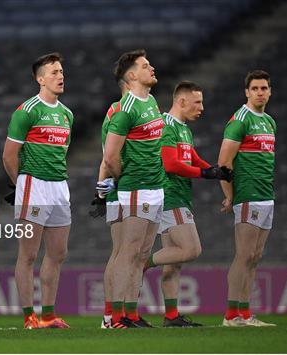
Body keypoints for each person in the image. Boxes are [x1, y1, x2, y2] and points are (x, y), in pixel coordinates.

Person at [144, 81, 232, 327]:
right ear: (181, 101)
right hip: (170, 196)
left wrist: (214, 171)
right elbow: (171, 164)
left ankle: (171, 316)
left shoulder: (183, 129)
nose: (201, 107)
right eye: (197, 102)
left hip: (181, 196)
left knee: (174, 264)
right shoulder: (166, 126)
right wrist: (205, 175)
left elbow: (191, 157)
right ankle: (142, 263)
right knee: (192, 249)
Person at [3, 52, 73, 329]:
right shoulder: (27, 110)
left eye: (61, 72)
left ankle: (48, 315)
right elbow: (9, 155)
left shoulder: (67, 114)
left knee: (58, 253)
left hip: (60, 187)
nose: (60, 76)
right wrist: (20, 184)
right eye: (54, 72)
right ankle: (28, 316)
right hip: (34, 185)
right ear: (40, 78)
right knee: (28, 255)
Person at [103, 49, 163, 328]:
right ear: (131, 75)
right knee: (128, 252)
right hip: (136, 187)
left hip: (155, 186)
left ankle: (130, 312)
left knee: (140, 255)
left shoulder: (151, 101)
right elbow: (111, 156)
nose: (151, 68)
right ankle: (116, 317)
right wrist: (124, 177)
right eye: (144, 65)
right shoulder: (126, 109)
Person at [218, 70, 276, 327]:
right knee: (244, 255)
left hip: (266, 195)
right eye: (255, 88)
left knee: (255, 256)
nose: (260, 92)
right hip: (248, 195)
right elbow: (223, 162)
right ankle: (231, 315)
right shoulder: (240, 120)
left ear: (270, 91)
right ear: (247, 92)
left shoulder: (270, 122)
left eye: (264, 88)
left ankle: (245, 313)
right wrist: (229, 196)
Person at [89, 77, 129, 329]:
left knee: (128, 253)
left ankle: (120, 313)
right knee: (121, 252)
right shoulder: (119, 110)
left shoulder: (135, 108)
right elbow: (109, 157)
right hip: (122, 190)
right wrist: (102, 190)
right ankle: (110, 316)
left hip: (127, 189)